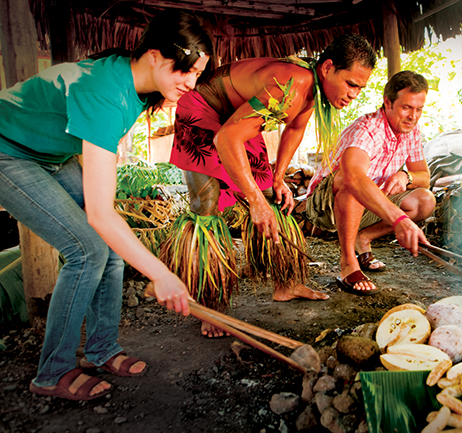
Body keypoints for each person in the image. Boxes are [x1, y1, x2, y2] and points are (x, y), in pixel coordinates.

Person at [0, 11, 213, 401]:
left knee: (109, 249)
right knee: (87, 248)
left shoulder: (139, 85)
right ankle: (53, 372)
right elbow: (100, 214)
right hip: (8, 153)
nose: (191, 83)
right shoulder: (105, 91)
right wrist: (160, 273)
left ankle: (100, 351)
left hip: (48, 154)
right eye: (183, 71)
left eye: (197, 74)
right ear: (153, 55)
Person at [169, 34, 377, 336]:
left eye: (361, 87)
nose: (354, 94)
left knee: (274, 196)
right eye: (351, 84)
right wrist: (253, 200)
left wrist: (278, 177)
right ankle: (209, 307)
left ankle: (286, 283)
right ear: (329, 68)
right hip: (202, 110)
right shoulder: (293, 84)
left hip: (237, 115)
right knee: (206, 207)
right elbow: (227, 138)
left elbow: (294, 128)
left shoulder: (312, 89)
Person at [304, 71, 436, 295]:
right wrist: (400, 220)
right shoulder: (366, 129)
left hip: (369, 203)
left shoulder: (411, 132)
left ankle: (362, 239)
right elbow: (353, 178)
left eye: (419, 109)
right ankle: (348, 263)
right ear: (388, 102)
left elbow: (424, 175)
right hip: (325, 207)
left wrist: (406, 176)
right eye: (406, 107)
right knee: (352, 180)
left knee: (425, 200)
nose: (413, 116)